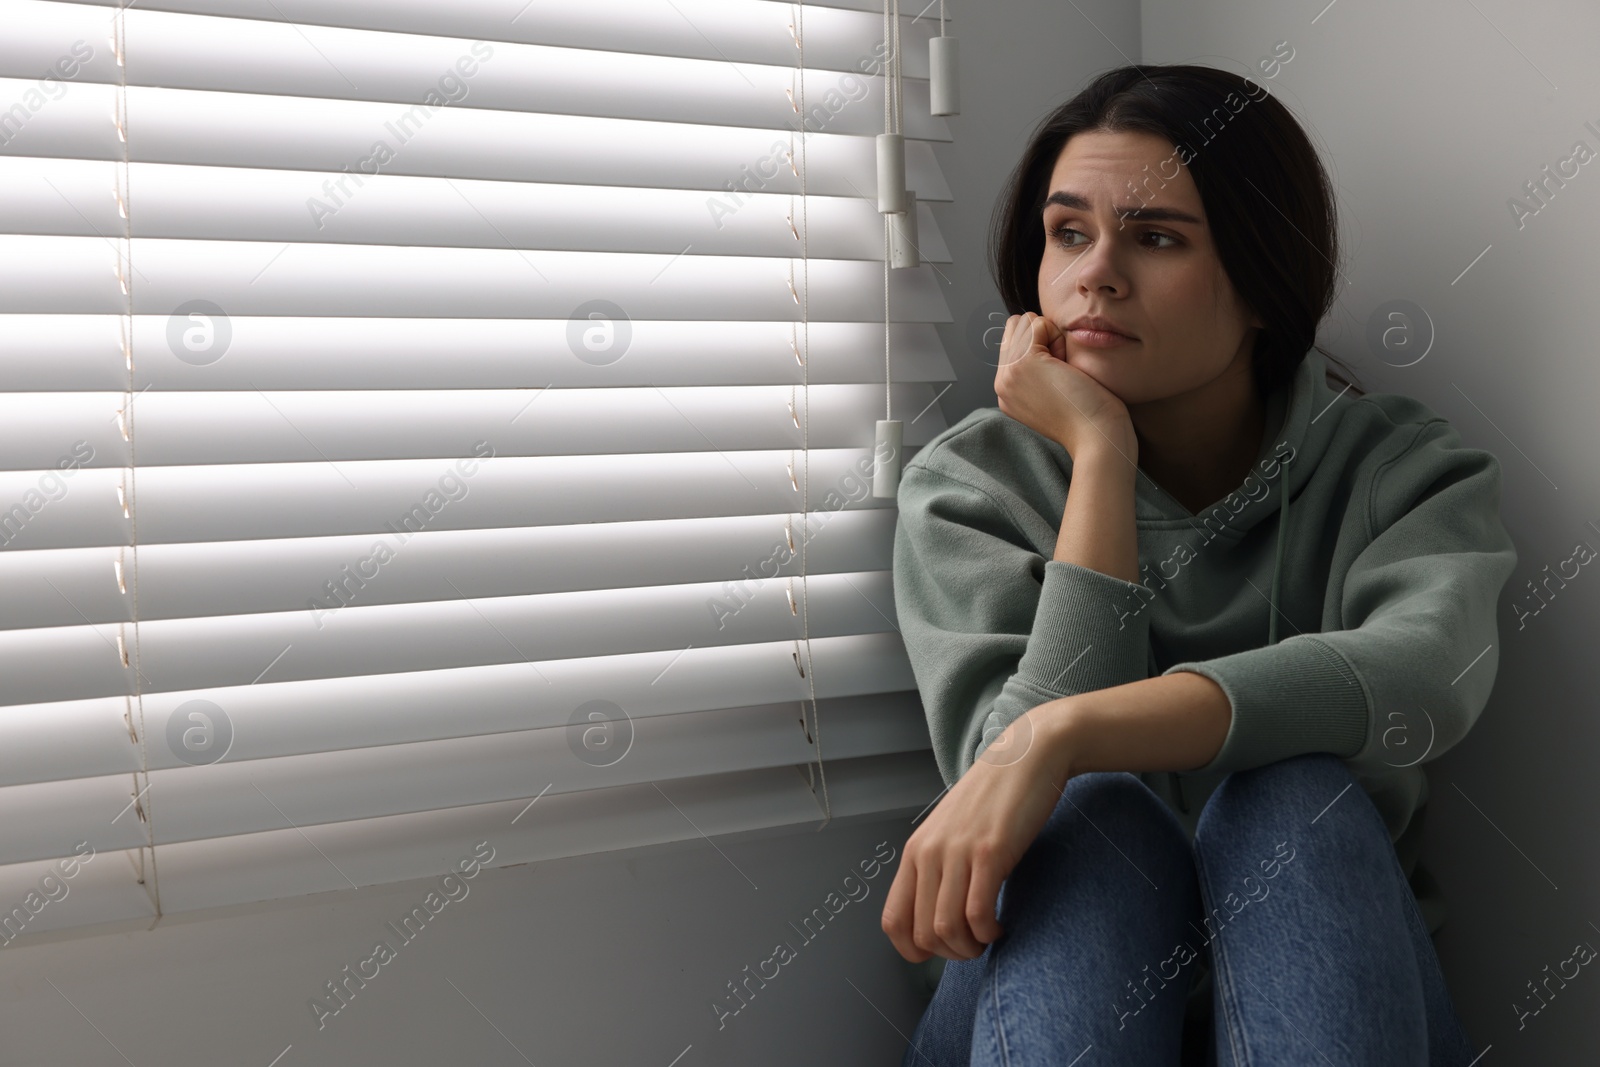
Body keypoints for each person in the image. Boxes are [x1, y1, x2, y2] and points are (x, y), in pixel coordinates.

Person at [883, 63, 1518, 1065]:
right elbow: (998, 796)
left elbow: (1422, 677)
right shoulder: (969, 486)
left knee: (1287, 795)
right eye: (1068, 232)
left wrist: (1066, 728)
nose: (1095, 273)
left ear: (1264, 276)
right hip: (1033, 1004)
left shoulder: (1395, 466)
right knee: (1093, 820)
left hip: (1341, 1008)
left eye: (1156, 236)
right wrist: (1100, 458)